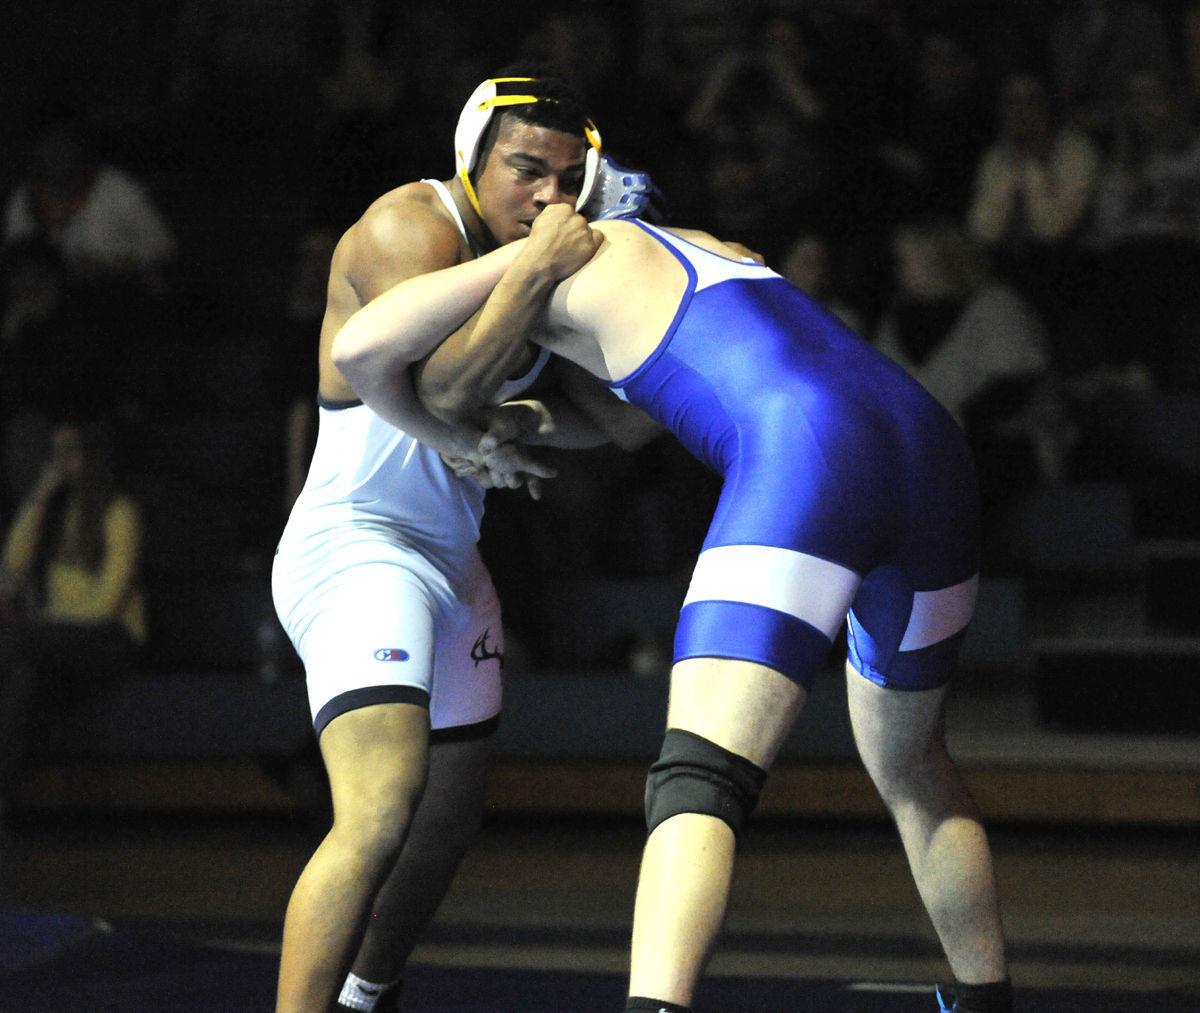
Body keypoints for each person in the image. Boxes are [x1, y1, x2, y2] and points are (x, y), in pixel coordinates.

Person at [332, 215, 1014, 1012]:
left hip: (809, 451)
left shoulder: (547, 250)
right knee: (913, 765)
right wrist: (512, 428)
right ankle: (985, 999)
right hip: (932, 445)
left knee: (700, 777)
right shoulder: (713, 246)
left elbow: (367, 354)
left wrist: (461, 430)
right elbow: (627, 420)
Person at [270, 69, 661, 1013]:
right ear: (469, 159)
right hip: (359, 547)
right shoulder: (410, 226)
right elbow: (445, 384)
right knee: (378, 812)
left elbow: (617, 426)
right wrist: (536, 272)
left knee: (445, 821)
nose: (548, 199)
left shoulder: (549, 252)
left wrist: (645, 288)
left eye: (569, 181)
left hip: (450, 561)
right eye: (526, 171)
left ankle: (370, 994)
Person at [0, 419, 145, 813]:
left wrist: (44, 626)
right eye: (55, 452)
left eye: (71, 451)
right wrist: (40, 495)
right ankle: (9, 795)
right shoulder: (55, 509)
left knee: (13, 644)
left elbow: (106, 604)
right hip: (54, 641)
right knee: (22, 679)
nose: (62, 462)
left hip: (108, 638)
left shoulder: (118, 512)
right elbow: (12, 564)